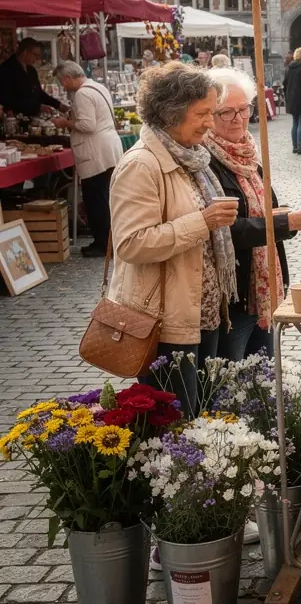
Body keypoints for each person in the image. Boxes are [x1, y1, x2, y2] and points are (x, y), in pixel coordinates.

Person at [108, 63, 239, 418]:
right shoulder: (141, 165)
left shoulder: (191, 158)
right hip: (164, 320)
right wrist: (203, 221)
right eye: (202, 113)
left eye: (212, 112)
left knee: (197, 415)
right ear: (171, 112)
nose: (211, 122)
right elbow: (131, 243)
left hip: (201, 312)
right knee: (174, 423)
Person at [205, 68, 301, 359]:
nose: (238, 118)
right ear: (208, 113)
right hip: (234, 296)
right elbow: (225, 229)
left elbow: (261, 209)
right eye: (226, 112)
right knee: (230, 384)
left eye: (244, 109)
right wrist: (287, 221)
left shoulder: (246, 152)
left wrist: (283, 216)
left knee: (263, 382)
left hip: (264, 289)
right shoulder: (206, 162)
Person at [50, 61, 123, 257]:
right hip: (107, 148)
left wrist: (65, 122)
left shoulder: (82, 93)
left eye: (61, 81)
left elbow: (88, 125)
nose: (63, 86)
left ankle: (103, 243)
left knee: (95, 199)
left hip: (95, 152)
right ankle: (107, 240)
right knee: (103, 197)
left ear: (68, 77)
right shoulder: (97, 86)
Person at [0, 38, 62, 116]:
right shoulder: (6, 69)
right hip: (15, 119)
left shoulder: (31, 70)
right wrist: (37, 107)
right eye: (36, 55)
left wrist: (58, 105)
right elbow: (6, 100)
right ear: (25, 52)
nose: (38, 59)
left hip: (33, 116)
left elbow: (38, 93)